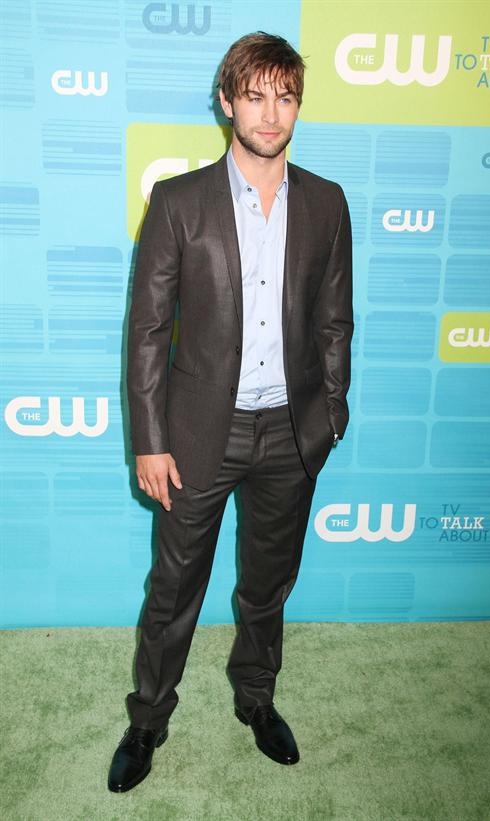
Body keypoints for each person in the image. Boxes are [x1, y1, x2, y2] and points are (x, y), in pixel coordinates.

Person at [108, 31, 353, 793]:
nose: (270, 113)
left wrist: (330, 413)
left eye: (285, 96)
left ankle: (256, 698)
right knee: (173, 589)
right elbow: (148, 331)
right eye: (254, 96)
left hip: (292, 430)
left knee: (267, 586)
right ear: (226, 103)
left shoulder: (327, 202)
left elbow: (334, 321)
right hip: (193, 435)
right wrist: (150, 440)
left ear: (298, 105)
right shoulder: (179, 202)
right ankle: (148, 719)